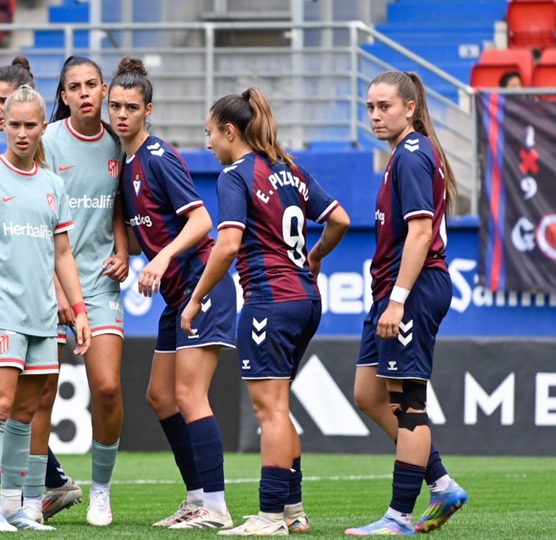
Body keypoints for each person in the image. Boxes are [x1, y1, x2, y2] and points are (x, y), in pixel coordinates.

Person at [179, 89, 350, 536]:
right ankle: (293, 511)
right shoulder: (289, 168)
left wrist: (196, 297)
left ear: (230, 131)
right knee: (281, 406)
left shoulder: (235, 175)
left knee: (270, 410)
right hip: (307, 300)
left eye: (210, 134)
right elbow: (340, 220)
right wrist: (313, 258)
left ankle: (270, 515)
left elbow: (229, 244)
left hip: (269, 303)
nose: (209, 144)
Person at [0, 84, 91, 532]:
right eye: (14, 124)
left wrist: (79, 309)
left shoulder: (53, 184)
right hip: (0, 316)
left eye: (31, 125)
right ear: (5, 126)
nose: (22, 132)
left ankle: (13, 506)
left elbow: (63, 254)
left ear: (42, 128)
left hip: (43, 318)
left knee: (25, 414)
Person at [109, 56, 237, 529]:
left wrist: (160, 258)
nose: (122, 114)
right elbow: (132, 222)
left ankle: (217, 509)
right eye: (116, 106)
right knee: (160, 397)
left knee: (188, 395)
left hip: (203, 285)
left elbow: (202, 219)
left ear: (149, 111)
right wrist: (127, 252)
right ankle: (197, 496)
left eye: (132, 107)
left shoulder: (158, 157)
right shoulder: (124, 163)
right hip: (177, 295)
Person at [345, 71, 468, 536]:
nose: (375, 115)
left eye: (385, 107)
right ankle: (441, 483)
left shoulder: (413, 154)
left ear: (410, 108)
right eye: (370, 107)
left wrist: (397, 301)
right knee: (367, 393)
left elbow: (419, 233)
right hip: (392, 292)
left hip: (411, 291)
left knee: (407, 402)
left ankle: (397, 518)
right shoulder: (402, 155)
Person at [29, 54, 130, 527]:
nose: (86, 92)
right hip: (45, 282)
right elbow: (32, 214)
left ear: (104, 89)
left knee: (107, 387)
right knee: (42, 393)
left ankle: (101, 492)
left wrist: (125, 251)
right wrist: (55, 287)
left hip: (99, 283)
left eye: (93, 84)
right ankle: (34, 495)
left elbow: (117, 207)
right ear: (64, 95)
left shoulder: (118, 142)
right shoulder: (46, 141)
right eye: (76, 86)